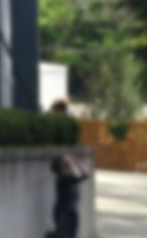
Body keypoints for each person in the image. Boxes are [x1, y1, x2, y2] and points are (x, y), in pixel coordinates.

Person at [46, 100, 88, 238]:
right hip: (66, 208)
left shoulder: (67, 174)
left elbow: (84, 174)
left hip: (69, 209)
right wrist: (71, 163)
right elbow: (81, 175)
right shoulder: (65, 176)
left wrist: (73, 163)